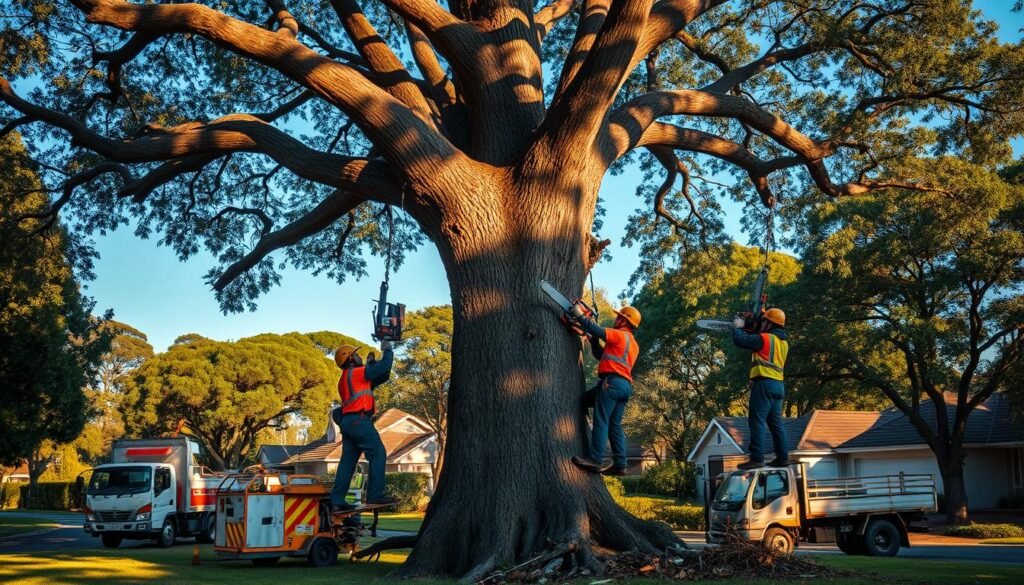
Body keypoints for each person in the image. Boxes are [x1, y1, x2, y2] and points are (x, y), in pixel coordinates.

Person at [570, 306, 642, 475]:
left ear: (624, 320)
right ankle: (620, 464)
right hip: (624, 386)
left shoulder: (619, 334)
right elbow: (603, 356)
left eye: (619, 317)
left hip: (610, 383)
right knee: (613, 425)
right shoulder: (633, 344)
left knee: (601, 419)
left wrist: (578, 315)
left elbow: (595, 328)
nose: (616, 319)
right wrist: (594, 342)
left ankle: (595, 459)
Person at [329, 341, 398, 512]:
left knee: (348, 462)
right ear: (351, 359)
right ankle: (375, 495)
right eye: (357, 354)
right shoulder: (357, 373)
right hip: (359, 421)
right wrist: (387, 350)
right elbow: (385, 366)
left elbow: (382, 376)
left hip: (348, 423)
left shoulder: (347, 377)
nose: (360, 357)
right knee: (377, 453)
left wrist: (372, 365)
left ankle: (337, 499)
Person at [732, 308, 789, 470]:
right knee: (776, 424)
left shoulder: (765, 339)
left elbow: (741, 340)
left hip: (764, 385)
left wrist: (737, 326)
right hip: (778, 386)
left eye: (764, 321)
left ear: (769, 323)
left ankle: (757, 458)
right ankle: (783, 457)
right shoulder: (784, 343)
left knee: (756, 421)